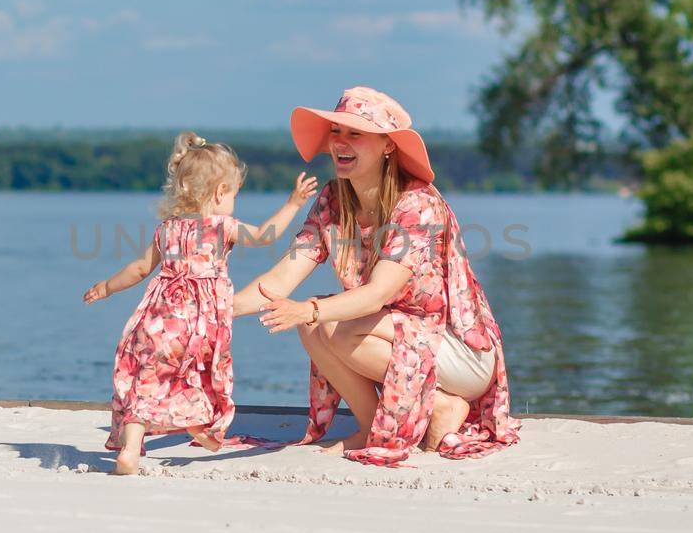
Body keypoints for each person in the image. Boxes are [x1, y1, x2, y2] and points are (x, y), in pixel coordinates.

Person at [233, 87, 519, 467]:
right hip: (399, 335)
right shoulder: (333, 201)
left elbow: (377, 293)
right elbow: (281, 279)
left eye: (355, 134)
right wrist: (215, 309)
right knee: (316, 325)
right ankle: (372, 426)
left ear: (387, 146)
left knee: (333, 323)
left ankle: (443, 405)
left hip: (460, 352)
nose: (340, 143)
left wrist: (310, 309)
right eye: (336, 132)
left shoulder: (417, 204)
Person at [84, 132, 317, 475]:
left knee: (147, 379)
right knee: (200, 374)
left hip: (157, 321)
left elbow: (137, 270)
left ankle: (131, 449)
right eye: (234, 193)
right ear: (221, 192)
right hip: (200, 325)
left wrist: (106, 287)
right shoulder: (224, 227)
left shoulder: (167, 229)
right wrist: (294, 204)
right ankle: (201, 426)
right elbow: (266, 235)